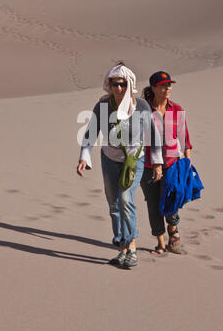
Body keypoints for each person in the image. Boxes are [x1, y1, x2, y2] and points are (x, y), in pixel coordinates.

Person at [77, 62, 163, 268]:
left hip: (134, 160)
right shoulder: (103, 106)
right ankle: (122, 249)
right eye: (114, 84)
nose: (118, 88)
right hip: (109, 160)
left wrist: (158, 163)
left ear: (129, 84)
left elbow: (154, 134)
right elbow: (90, 132)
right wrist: (84, 157)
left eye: (122, 84)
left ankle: (131, 248)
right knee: (114, 205)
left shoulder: (141, 106)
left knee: (125, 199)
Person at [141, 71, 193, 255]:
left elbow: (184, 138)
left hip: (171, 164)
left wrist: (187, 163)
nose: (167, 88)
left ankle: (173, 230)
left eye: (169, 85)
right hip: (147, 166)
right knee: (153, 204)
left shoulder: (177, 109)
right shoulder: (144, 110)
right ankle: (160, 242)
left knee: (171, 200)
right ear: (154, 88)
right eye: (163, 85)